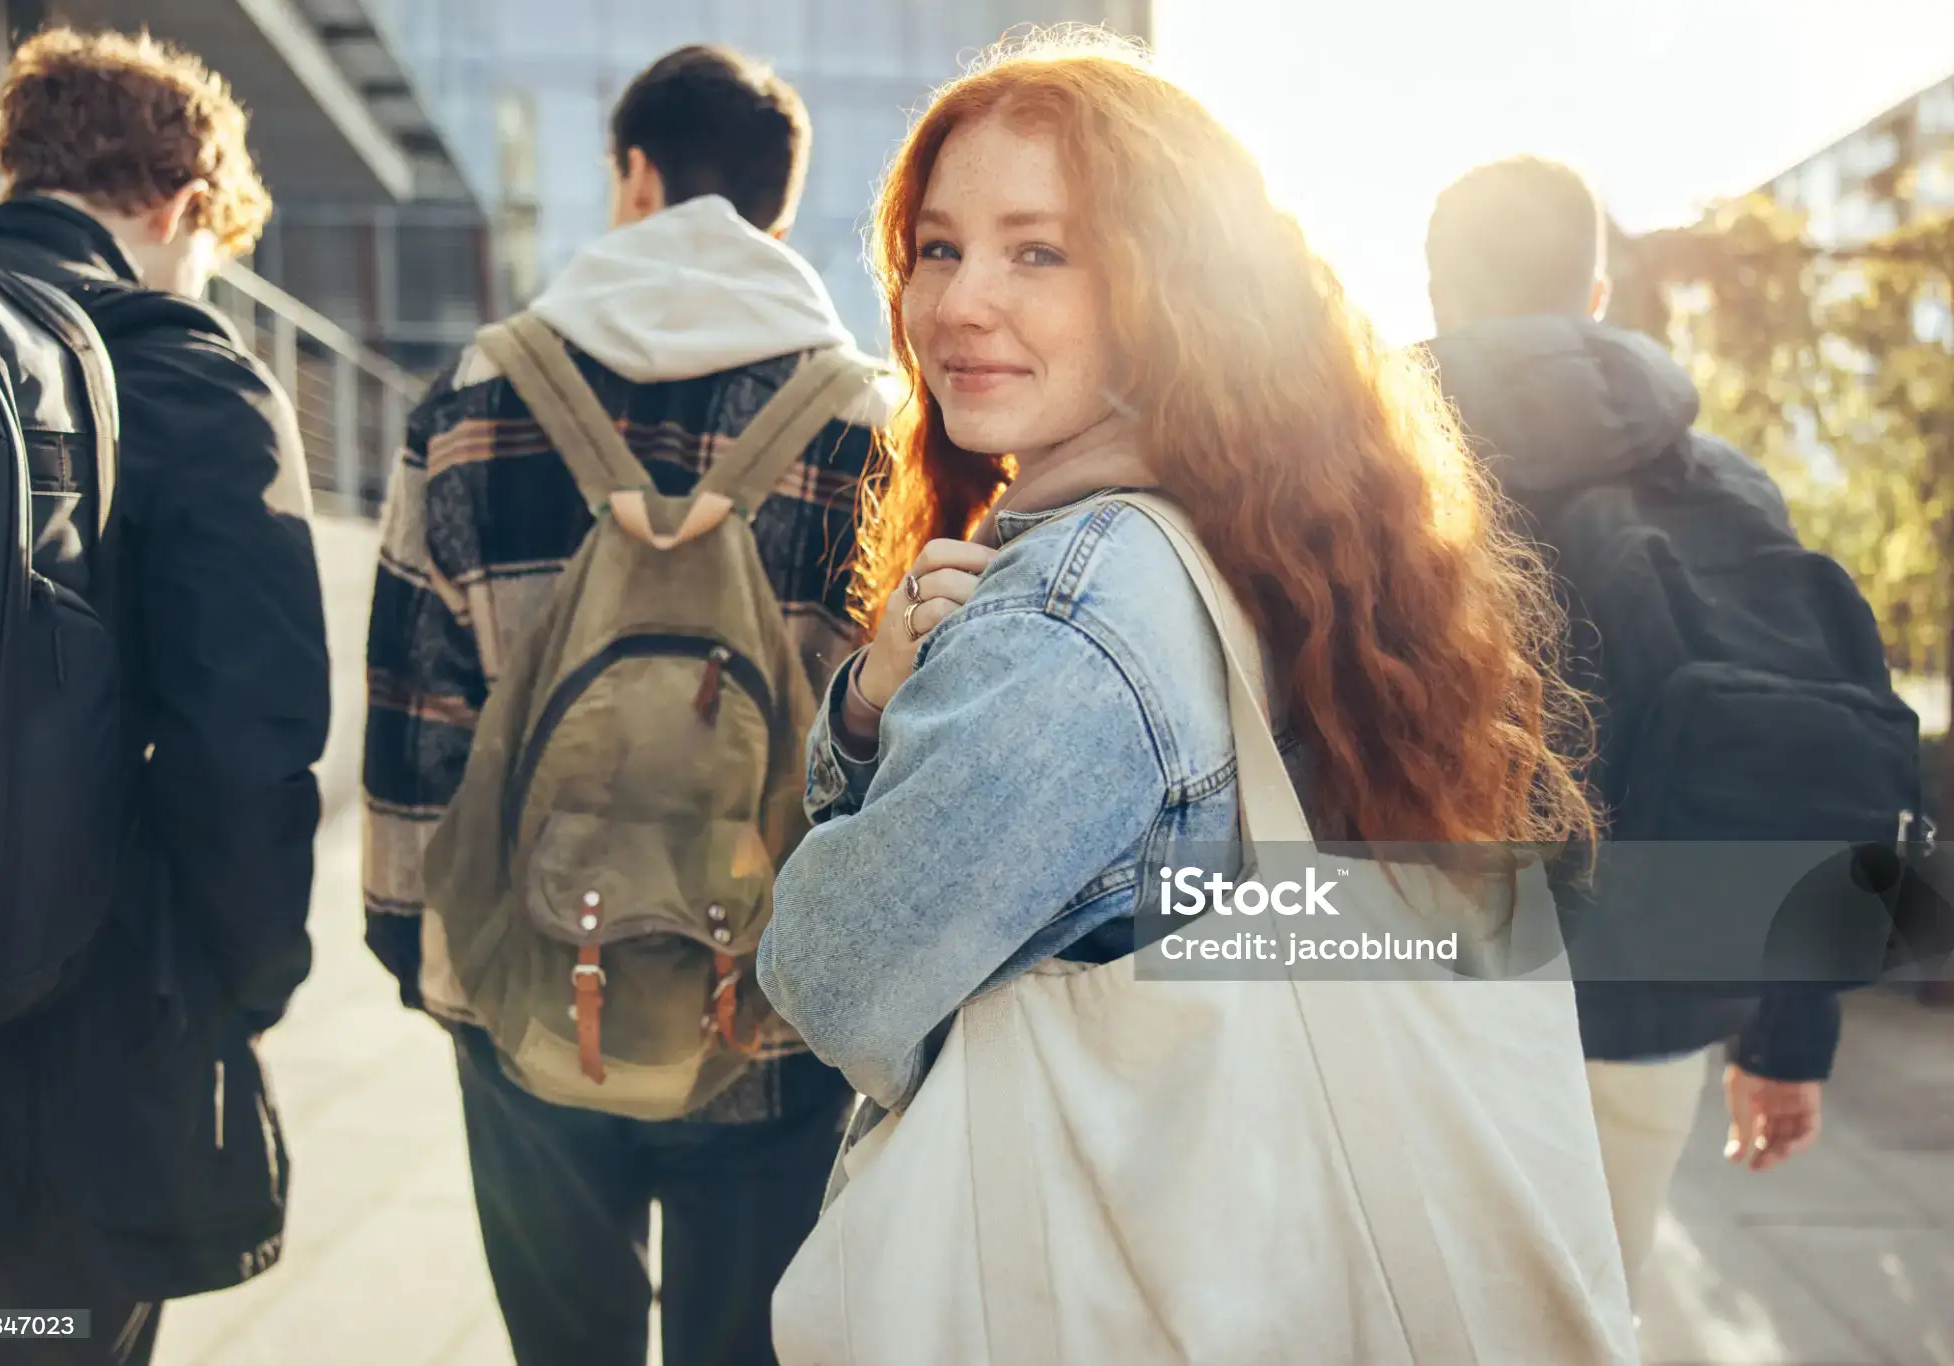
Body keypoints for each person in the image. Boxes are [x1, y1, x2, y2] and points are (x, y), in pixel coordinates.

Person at [755, 31, 1631, 1359]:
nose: (959, 302)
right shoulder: (1267, 530)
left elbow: (831, 977)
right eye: (937, 247)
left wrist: (862, 715)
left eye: (1038, 253)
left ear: (1168, 285)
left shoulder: (1071, 617)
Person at [362, 44, 883, 1366]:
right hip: (764, 1000)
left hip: (529, 977)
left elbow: (413, 704)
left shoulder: (477, 392)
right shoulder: (863, 419)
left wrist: (417, 943)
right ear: (774, 206)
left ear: (636, 175)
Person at [0, 27, 329, 1365]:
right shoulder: (191, 376)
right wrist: (242, 988)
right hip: (70, 1069)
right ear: (187, 205)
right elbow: (248, 748)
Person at [1421, 155, 1865, 1292]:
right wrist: (1785, 1041)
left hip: (1415, 1004)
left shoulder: (1364, 477)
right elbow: (1796, 750)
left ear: (1437, 293)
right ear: (1594, 296)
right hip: (1650, 1000)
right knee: (1588, 1319)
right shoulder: (1724, 482)